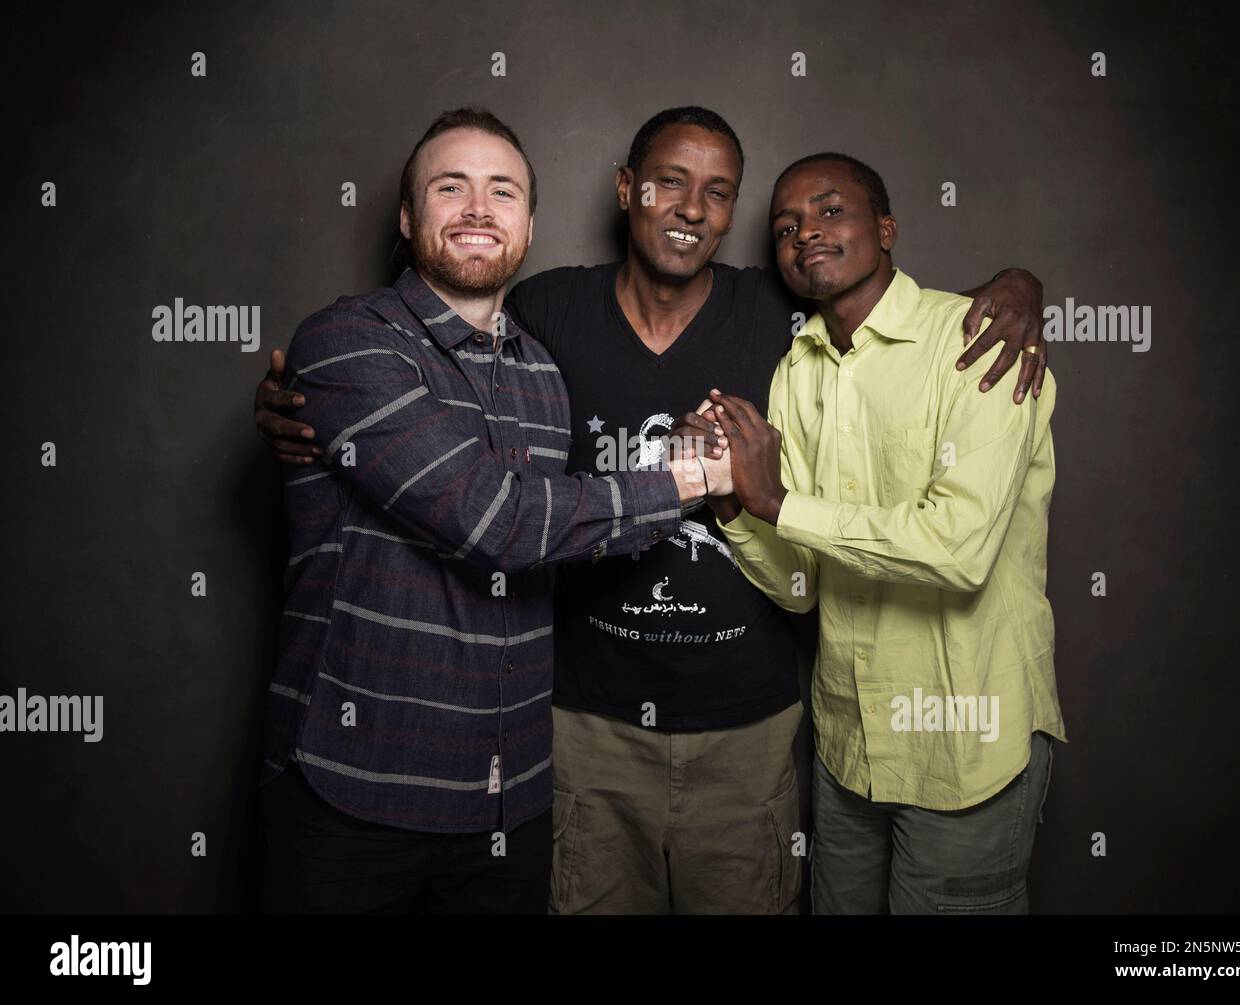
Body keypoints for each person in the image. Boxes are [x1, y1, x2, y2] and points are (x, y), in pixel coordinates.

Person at [255, 108, 1049, 914]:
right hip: (567, 734)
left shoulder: (779, 318)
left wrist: (1017, 290)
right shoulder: (540, 317)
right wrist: (305, 404)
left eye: (718, 192)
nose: (692, 208)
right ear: (626, 189)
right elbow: (477, 479)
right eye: (670, 181)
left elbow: (869, 306)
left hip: (736, 731)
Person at [257, 106, 731, 915]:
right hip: (354, 791)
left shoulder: (542, 374)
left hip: (506, 806)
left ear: (529, 222)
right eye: (452, 187)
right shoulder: (347, 343)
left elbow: (560, 526)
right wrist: (693, 481)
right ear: (409, 218)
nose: (479, 209)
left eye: (502, 191)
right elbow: (498, 523)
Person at [691, 153, 1065, 914]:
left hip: (968, 741)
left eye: (831, 211)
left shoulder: (978, 338)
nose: (806, 234)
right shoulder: (797, 370)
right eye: (787, 226)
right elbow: (802, 586)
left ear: (886, 228)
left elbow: (958, 553)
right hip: (850, 746)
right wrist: (735, 504)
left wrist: (780, 502)